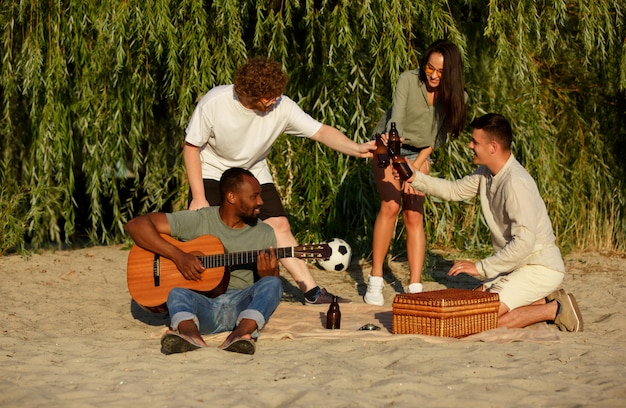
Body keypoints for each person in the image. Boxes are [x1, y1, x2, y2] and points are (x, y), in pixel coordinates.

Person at [183, 57, 376, 305]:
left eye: (277, 94)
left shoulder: (282, 106)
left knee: (280, 226)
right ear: (248, 94)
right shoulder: (215, 102)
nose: (274, 100)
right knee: (207, 239)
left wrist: (357, 148)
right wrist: (198, 197)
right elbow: (191, 147)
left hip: (253, 172)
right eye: (267, 97)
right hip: (212, 171)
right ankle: (194, 294)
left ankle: (312, 292)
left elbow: (321, 131)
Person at [400, 113, 582, 331]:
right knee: (469, 307)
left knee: (480, 320)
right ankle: (536, 301)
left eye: (475, 142)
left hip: (539, 267)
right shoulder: (486, 173)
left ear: (493, 147)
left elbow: (524, 243)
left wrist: (480, 267)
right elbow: (454, 190)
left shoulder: (515, 183)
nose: (470, 146)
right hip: (515, 266)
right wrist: (414, 178)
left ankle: (555, 308)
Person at [124, 168, 284, 354]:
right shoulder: (201, 220)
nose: (260, 202)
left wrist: (267, 275)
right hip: (203, 307)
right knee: (176, 292)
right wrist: (179, 256)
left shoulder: (264, 232)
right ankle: (190, 335)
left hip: (241, 308)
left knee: (273, 284)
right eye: (254, 196)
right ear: (231, 197)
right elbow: (135, 225)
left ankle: (240, 335)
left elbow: (269, 289)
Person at [365, 40, 467, 305]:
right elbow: (395, 121)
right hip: (388, 145)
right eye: (429, 68)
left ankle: (414, 286)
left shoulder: (457, 97)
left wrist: (417, 168)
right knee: (390, 205)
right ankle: (375, 280)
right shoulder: (408, 81)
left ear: (452, 73)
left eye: (441, 72)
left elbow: (440, 137)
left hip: (420, 154)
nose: (433, 75)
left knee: (413, 214)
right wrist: (399, 164)